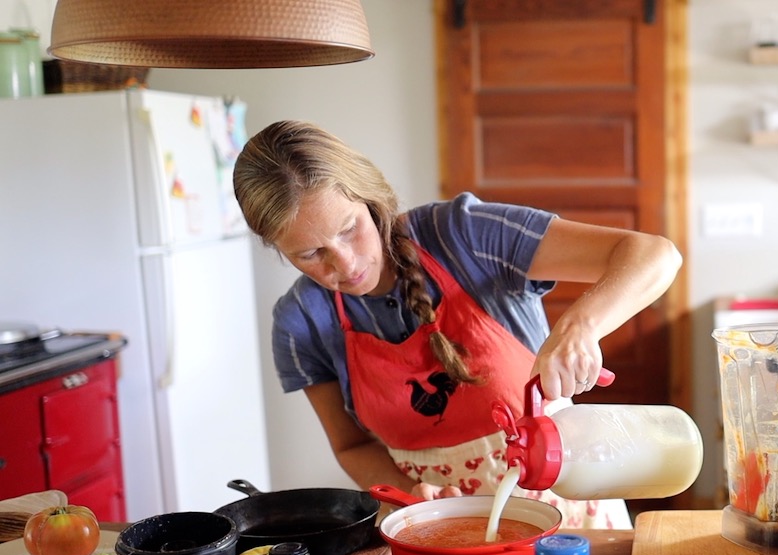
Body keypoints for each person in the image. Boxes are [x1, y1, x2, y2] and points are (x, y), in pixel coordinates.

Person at [232, 120, 681, 529]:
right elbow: (351, 447)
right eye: (310, 254)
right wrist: (411, 495)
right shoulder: (300, 323)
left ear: (367, 198)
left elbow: (656, 255)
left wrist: (580, 325)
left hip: (570, 518)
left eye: (349, 229)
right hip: (439, 527)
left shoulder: (461, 234)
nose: (345, 264)